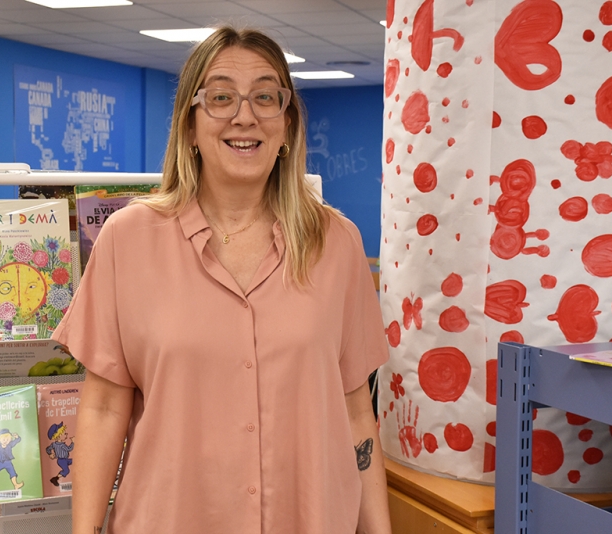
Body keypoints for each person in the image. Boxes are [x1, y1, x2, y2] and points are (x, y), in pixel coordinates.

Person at [52, 25, 391, 534]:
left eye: (265, 97)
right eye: (221, 97)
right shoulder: (128, 239)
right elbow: (102, 408)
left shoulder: (336, 243)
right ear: (189, 125)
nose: (244, 115)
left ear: (286, 124)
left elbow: (355, 410)